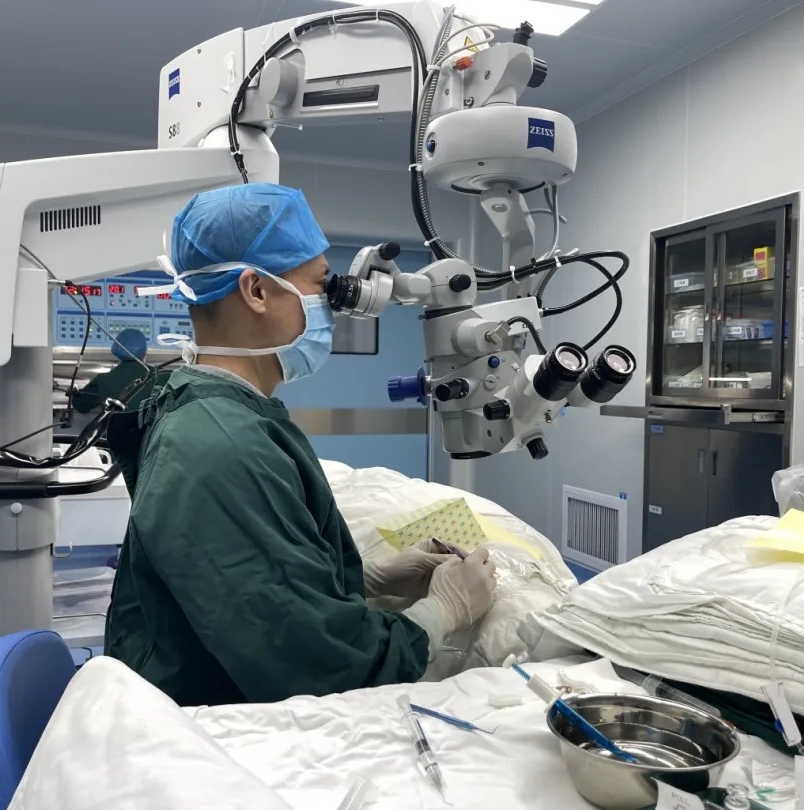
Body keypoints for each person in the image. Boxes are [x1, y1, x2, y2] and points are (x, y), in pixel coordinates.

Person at [104, 183, 497, 706]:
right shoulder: (218, 445)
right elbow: (325, 670)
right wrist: (444, 610)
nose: (330, 306)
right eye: (318, 285)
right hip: (215, 726)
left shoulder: (218, 414)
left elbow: (244, 587)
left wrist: (360, 579)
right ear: (256, 291)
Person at [72, 328, 157, 413]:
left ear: (117, 350)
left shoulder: (103, 380)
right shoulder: (160, 376)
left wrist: (77, 393)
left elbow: (80, 405)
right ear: (144, 352)